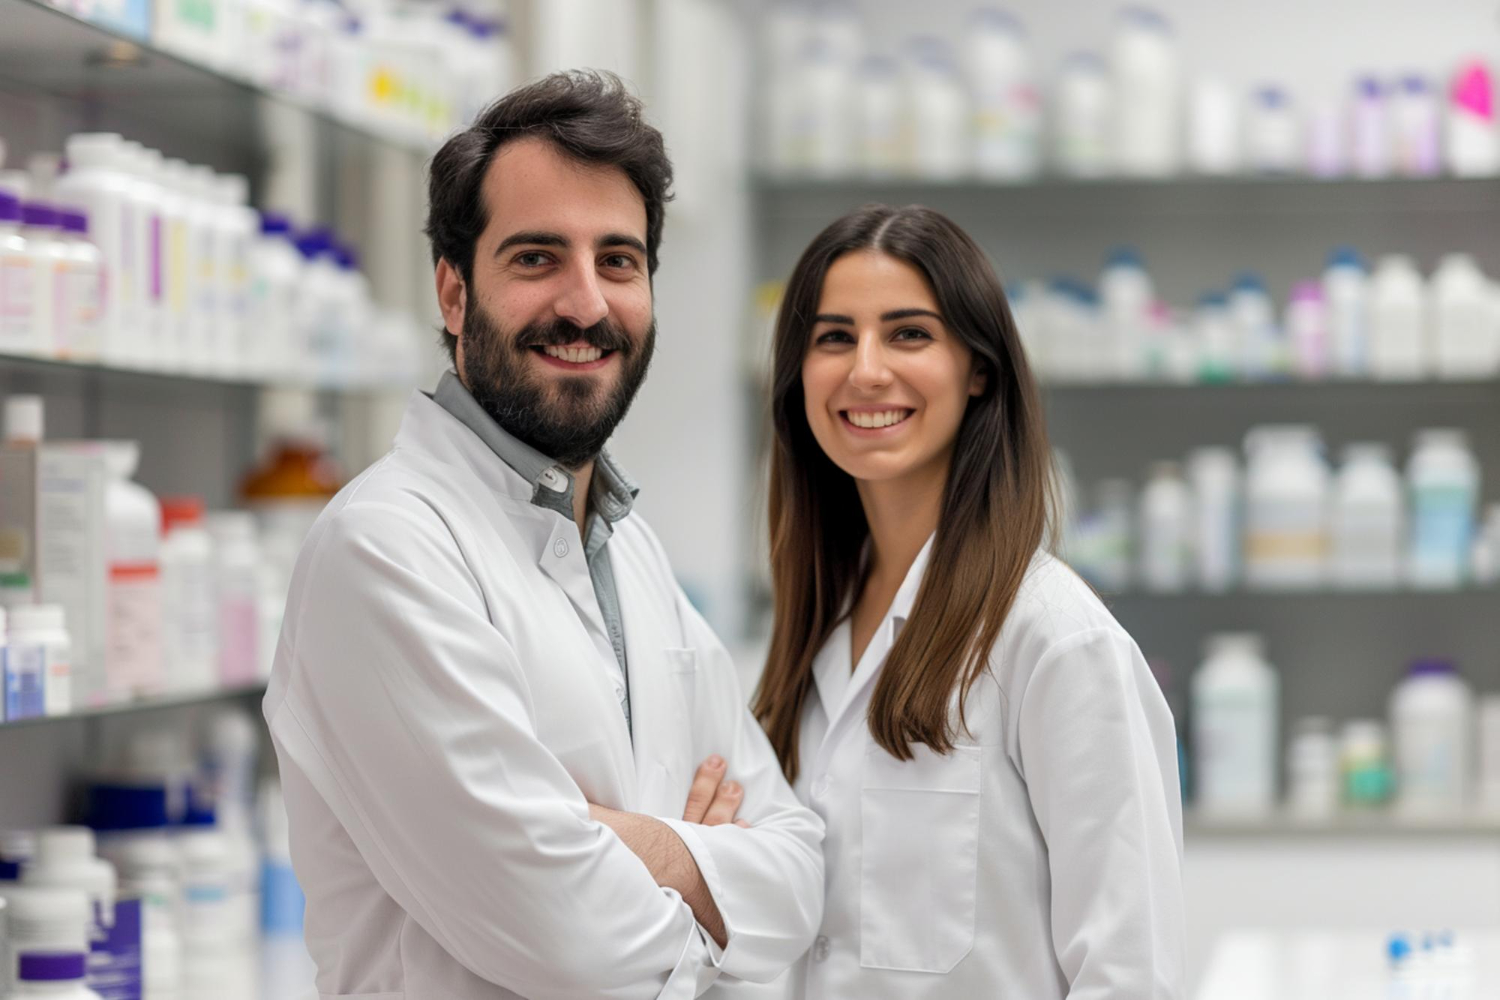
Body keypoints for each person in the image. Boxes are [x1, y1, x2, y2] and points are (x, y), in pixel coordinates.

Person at [263, 71, 824, 1000]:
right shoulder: (386, 551)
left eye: (619, 260)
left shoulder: (627, 548)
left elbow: (801, 875)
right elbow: (576, 946)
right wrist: (711, 873)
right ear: (453, 293)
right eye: (535, 259)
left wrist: (621, 841)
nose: (586, 304)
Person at [751, 204, 1185, 999]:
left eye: (908, 334)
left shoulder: (1051, 639)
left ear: (978, 368)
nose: (866, 370)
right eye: (834, 337)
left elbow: (1130, 974)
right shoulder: (815, 633)